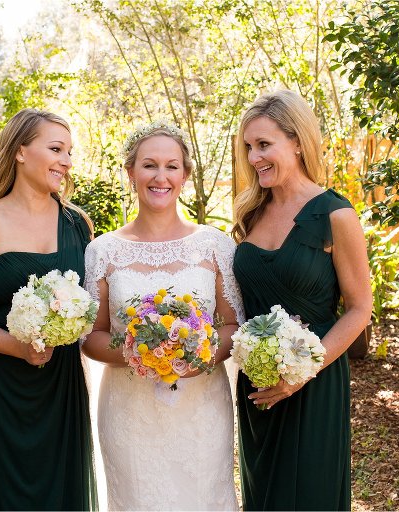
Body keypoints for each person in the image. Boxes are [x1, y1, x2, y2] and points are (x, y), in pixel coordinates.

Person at [82, 121, 243, 510]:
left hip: (201, 410)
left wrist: (193, 355)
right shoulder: (103, 251)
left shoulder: (215, 245)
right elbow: (91, 337)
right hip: (130, 414)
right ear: (131, 172)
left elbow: (233, 325)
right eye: (149, 165)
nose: (161, 177)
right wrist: (142, 354)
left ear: (184, 175)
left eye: (172, 166)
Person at [0, 108, 98, 511]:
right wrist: (16, 347)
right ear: (20, 151)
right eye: (56, 149)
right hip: (1, 386)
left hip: (62, 384)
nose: (66, 161)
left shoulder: (78, 223)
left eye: (69, 152)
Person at [231, 90, 372, 510]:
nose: (254, 157)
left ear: (296, 141)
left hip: (314, 382)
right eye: (249, 147)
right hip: (258, 386)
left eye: (264, 144)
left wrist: (301, 373)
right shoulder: (250, 213)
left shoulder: (335, 214)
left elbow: (360, 309)